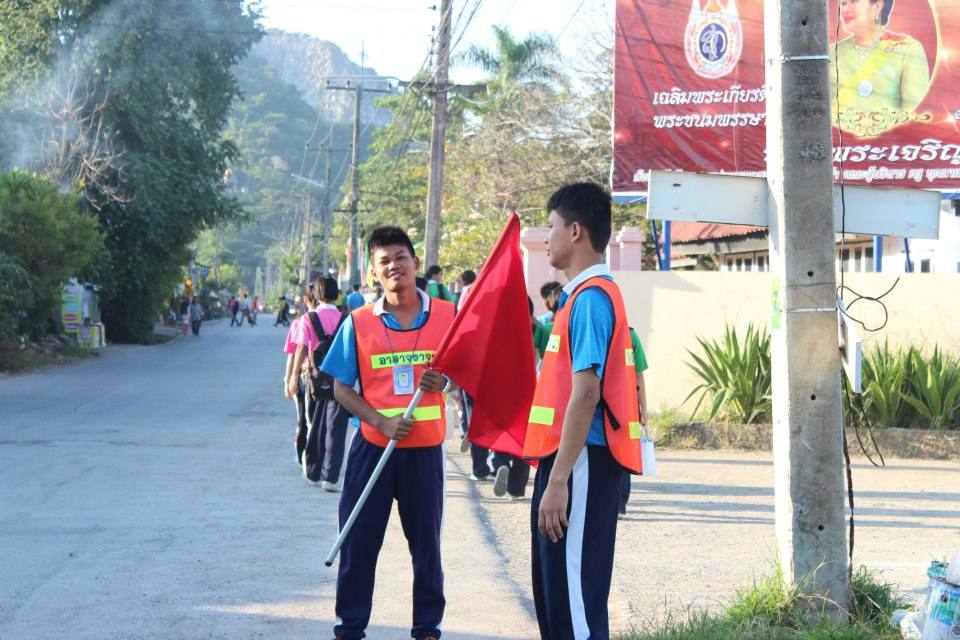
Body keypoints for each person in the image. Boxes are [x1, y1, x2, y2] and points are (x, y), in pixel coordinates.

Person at [319, 226, 456, 640]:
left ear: (415, 262)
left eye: (401, 257)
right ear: (374, 273)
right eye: (385, 261)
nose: (394, 266)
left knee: (426, 546)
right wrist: (380, 421)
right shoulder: (359, 322)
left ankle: (427, 627)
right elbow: (340, 387)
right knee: (358, 542)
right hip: (373, 448)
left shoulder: (448, 316)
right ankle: (350, 627)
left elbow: (466, 375)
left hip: (425, 451)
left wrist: (444, 382)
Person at [523, 182, 644, 639]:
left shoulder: (591, 299)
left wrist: (558, 481)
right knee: (558, 591)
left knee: (574, 597)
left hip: (581, 463)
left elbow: (586, 394)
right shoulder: (579, 296)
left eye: (551, 226)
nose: (546, 238)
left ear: (575, 231)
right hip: (570, 461)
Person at [830, 0, 930, 136]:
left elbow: (915, 112)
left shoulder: (907, 49)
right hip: (841, 145)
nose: (846, 9)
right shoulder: (831, 53)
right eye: (843, 3)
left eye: (854, 1)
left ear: (878, 5)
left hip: (891, 144)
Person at [287, 277, 348, 489]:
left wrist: (294, 375)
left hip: (314, 379)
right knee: (336, 427)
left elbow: (301, 348)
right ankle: (330, 476)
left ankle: (314, 468)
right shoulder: (346, 318)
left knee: (313, 423)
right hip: (341, 379)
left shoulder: (308, 318)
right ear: (336, 293)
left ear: (317, 294)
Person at [620, 327, 649, 516]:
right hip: (628, 407)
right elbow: (638, 375)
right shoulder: (631, 336)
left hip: (603, 407)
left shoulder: (600, 331)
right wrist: (643, 409)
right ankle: (620, 504)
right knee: (625, 454)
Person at [282, 298, 309, 467]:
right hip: (327, 379)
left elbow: (292, 354)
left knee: (303, 418)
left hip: (303, 377)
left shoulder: (299, 323)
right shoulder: (337, 318)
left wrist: (289, 379)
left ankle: (302, 454)